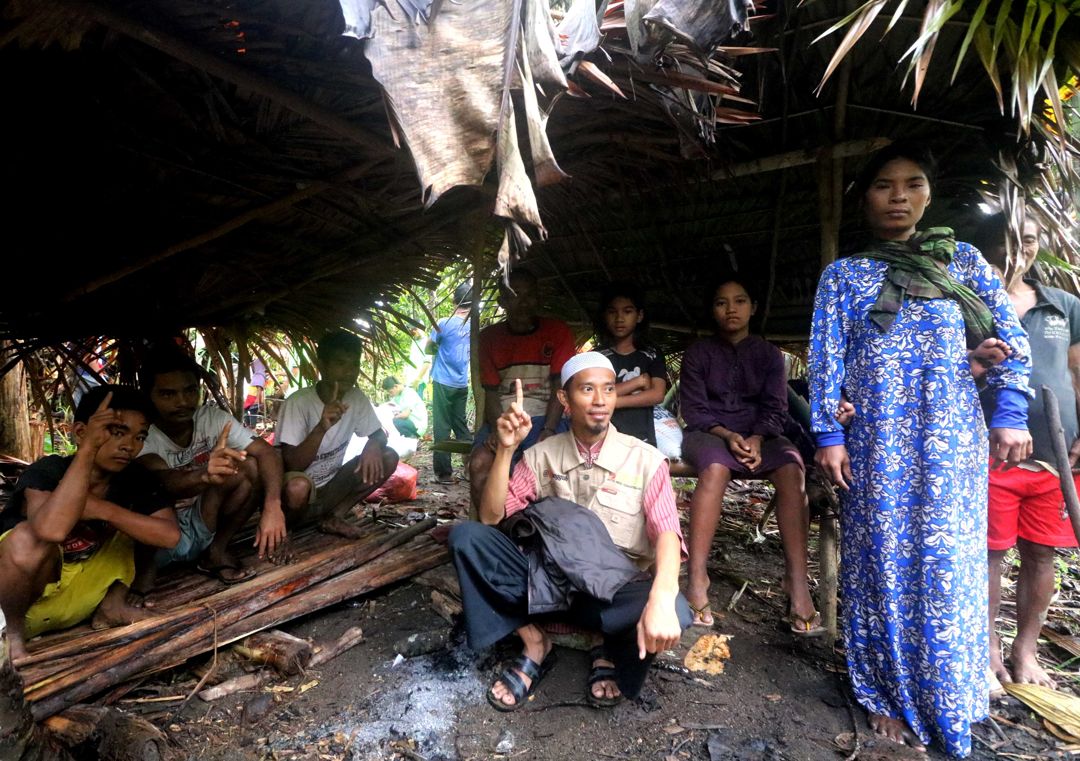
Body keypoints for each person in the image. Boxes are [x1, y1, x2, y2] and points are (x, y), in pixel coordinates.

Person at [809, 141, 1032, 756]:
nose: (898, 196)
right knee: (880, 558)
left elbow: (1009, 340)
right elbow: (828, 363)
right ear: (864, 198)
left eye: (911, 184)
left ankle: (949, 687)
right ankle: (886, 690)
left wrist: (1009, 412)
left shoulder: (962, 263)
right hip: (876, 439)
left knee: (945, 563)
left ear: (929, 196)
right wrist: (829, 432)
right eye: (883, 185)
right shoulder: (845, 276)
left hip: (950, 440)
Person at [448, 352, 691, 711]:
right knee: (466, 539)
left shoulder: (646, 459)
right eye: (587, 389)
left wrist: (663, 596)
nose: (599, 401)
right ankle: (534, 642)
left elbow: (668, 532)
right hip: (547, 586)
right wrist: (507, 449)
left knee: (678, 611)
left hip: (608, 595)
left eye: (608, 390)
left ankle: (605, 645)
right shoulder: (541, 456)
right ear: (564, 399)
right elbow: (490, 517)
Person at [976, 213, 1080, 691]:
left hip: (1058, 459)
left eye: (1029, 238)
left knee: (1042, 553)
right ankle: (988, 649)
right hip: (989, 455)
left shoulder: (1064, 306)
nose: (1016, 248)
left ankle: (1026, 649)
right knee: (990, 554)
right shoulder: (970, 304)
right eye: (1004, 239)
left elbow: (1078, 374)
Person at [679, 277, 817, 635]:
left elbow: (776, 407)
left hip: (763, 434)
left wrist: (757, 437)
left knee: (791, 466)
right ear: (713, 310)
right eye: (722, 303)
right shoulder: (698, 353)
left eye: (739, 301)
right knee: (713, 468)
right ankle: (697, 578)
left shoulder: (769, 354)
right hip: (708, 433)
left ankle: (797, 582)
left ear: (752, 307)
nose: (731, 309)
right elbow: (694, 410)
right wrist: (728, 435)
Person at [0, 386, 179, 659]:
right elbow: (50, 529)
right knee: (26, 539)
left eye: (139, 436)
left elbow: (169, 536)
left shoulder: (135, 478)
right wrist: (89, 449)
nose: (129, 446)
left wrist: (103, 510)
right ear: (81, 432)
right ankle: (11, 639)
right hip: (20, 605)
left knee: (136, 526)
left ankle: (113, 606)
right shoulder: (49, 470)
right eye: (117, 432)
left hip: (80, 598)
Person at [137, 348, 286, 589]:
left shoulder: (211, 419)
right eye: (168, 394)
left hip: (203, 517)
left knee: (249, 465)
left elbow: (266, 452)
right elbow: (164, 481)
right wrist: (205, 474)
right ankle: (145, 576)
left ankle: (216, 551)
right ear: (148, 395)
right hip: (161, 535)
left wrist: (272, 505)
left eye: (190, 390)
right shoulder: (141, 434)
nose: (182, 402)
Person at [468, 269, 575, 510]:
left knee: (545, 467)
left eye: (530, 295)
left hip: (546, 416)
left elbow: (560, 387)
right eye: (515, 295)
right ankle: (494, 532)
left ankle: (540, 531)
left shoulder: (557, 332)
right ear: (502, 302)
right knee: (479, 464)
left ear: (539, 299)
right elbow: (491, 392)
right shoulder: (489, 338)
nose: (523, 302)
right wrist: (498, 428)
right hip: (505, 417)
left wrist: (548, 429)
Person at [278, 330, 398, 538]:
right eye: (340, 363)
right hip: (298, 497)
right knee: (298, 487)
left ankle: (334, 516)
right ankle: (284, 531)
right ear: (322, 366)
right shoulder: (298, 403)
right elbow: (292, 464)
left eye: (354, 365)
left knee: (388, 456)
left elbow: (379, 434)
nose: (349, 372)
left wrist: (373, 445)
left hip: (332, 487)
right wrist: (321, 428)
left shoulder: (356, 398)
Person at [594, 282, 669, 446]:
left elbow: (657, 394)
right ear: (604, 316)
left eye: (627, 311)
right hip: (602, 438)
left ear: (639, 316)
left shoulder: (651, 353)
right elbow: (596, 394)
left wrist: (613, 401)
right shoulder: (597, 357)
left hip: (642, 438)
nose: (619, 318)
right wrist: (638, 382)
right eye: (612, 312)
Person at [429, 282, 473, 484]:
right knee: (461, 425)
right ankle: (472, 468)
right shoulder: (474, 327)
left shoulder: (444, 324)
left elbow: (430, 348)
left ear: (455, 302)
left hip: (442, 382)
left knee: (442, 425)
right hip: (461, 383)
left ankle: (444, 474)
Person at [405, 327, 432, 400]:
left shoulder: (427, 342)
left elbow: (427, 362)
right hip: (410, 380)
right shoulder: (414, 341)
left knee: (416, 407)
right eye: (412, 330)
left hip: (419, 382)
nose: (413, 332)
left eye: (415, 329)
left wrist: (418, 379)